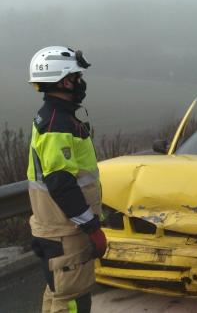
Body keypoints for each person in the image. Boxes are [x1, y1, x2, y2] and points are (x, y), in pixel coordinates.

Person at [26, 46, 106, 313]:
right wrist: (92, 227)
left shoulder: (55, 118)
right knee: (72, 300)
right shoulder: (56, 123)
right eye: (76, 77)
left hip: (55, 227)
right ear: (63, 80)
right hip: (65, 231)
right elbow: (61, 183)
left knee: (58, 294)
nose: (80, 82)